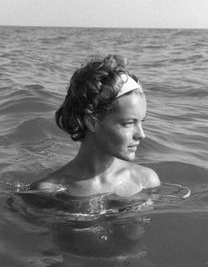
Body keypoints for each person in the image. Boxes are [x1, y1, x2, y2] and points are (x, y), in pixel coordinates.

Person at [31, 55, 160, 197]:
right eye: (129, 123)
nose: (141, 134)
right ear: (92, 122)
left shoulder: (146, 180)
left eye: (142, 122)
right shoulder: (47, 190)